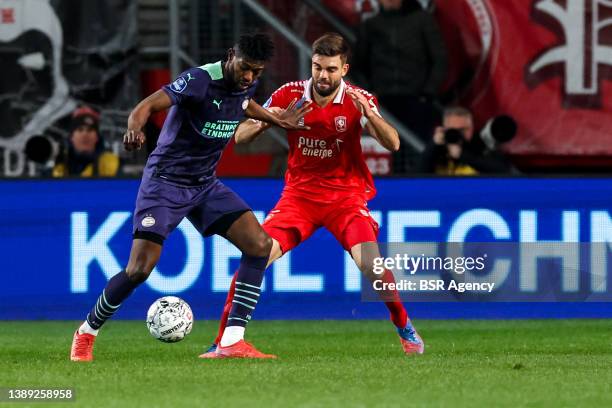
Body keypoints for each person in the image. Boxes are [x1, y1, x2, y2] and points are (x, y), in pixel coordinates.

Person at [70, 33, 310, 362]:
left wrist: (275, 119)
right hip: (165, 183)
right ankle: (86, 331)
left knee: (260, 246)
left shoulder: (245, 84)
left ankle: (232, 340)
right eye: (245, 68)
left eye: (257, 71)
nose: (250, 77)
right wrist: (134, 127)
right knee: (139, 269)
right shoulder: (198, 80)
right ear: (230, 55)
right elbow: (147, 105)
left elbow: (241, 104)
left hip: (204, 185)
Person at [200, 33, 425, 359]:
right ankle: (224, 341)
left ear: (344, 69)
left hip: (345, 199)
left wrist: (371, 117)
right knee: (255, 257)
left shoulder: (357, 99)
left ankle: (405, 327)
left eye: (331, 69)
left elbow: (394, 144)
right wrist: (274, 119)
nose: (323, 75)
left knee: (372, 266)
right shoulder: (290, 94)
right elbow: (241, 137)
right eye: (318, 67)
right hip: (299, 199)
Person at [353, 0, 448, 173]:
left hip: (417, 99)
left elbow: (440, 59)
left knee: (419, 150)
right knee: (389, 152)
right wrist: (369, 91)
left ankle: (420, 189)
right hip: (383, 102)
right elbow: (357, 66)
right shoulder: (370, 25)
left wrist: (428, 92)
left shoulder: (422, 20)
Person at [417, 106, 516, 175]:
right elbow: (416, 175)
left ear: (472, 128)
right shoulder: (437, 150)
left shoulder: (480, 147)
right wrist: (433, 145)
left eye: (464, 129)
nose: (460, 134)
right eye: (454, 129)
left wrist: (463, 156)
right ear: (445, 129)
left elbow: (503, 170)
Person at [52, 107, 120, 177]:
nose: (85, 135)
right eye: (80, 129)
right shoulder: (60, 164)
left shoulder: (109, 162)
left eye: (90, 130)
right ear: (72, 137)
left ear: (97, 137)